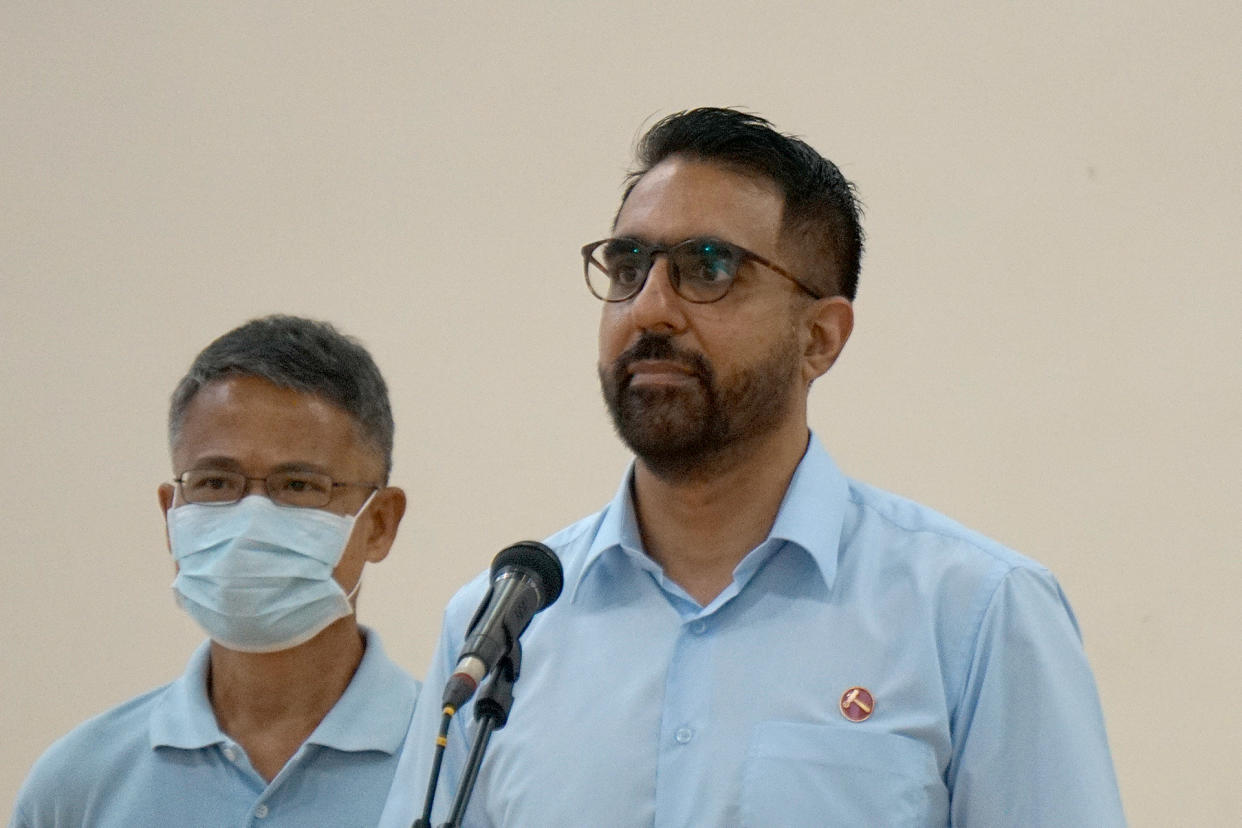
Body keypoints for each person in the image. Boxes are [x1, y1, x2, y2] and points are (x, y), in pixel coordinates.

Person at [380, 108, 1125, 826]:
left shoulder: (974, 614)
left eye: (709, 267)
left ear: (820, 339)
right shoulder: (507, 623)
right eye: (628, 264)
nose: (651, 309)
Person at [11, 315, 419, 827]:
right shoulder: (78, 787)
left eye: (297, 486)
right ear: (171, 514)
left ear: (380, 524)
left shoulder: (462, 768)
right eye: (215, 483)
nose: (251, 521)